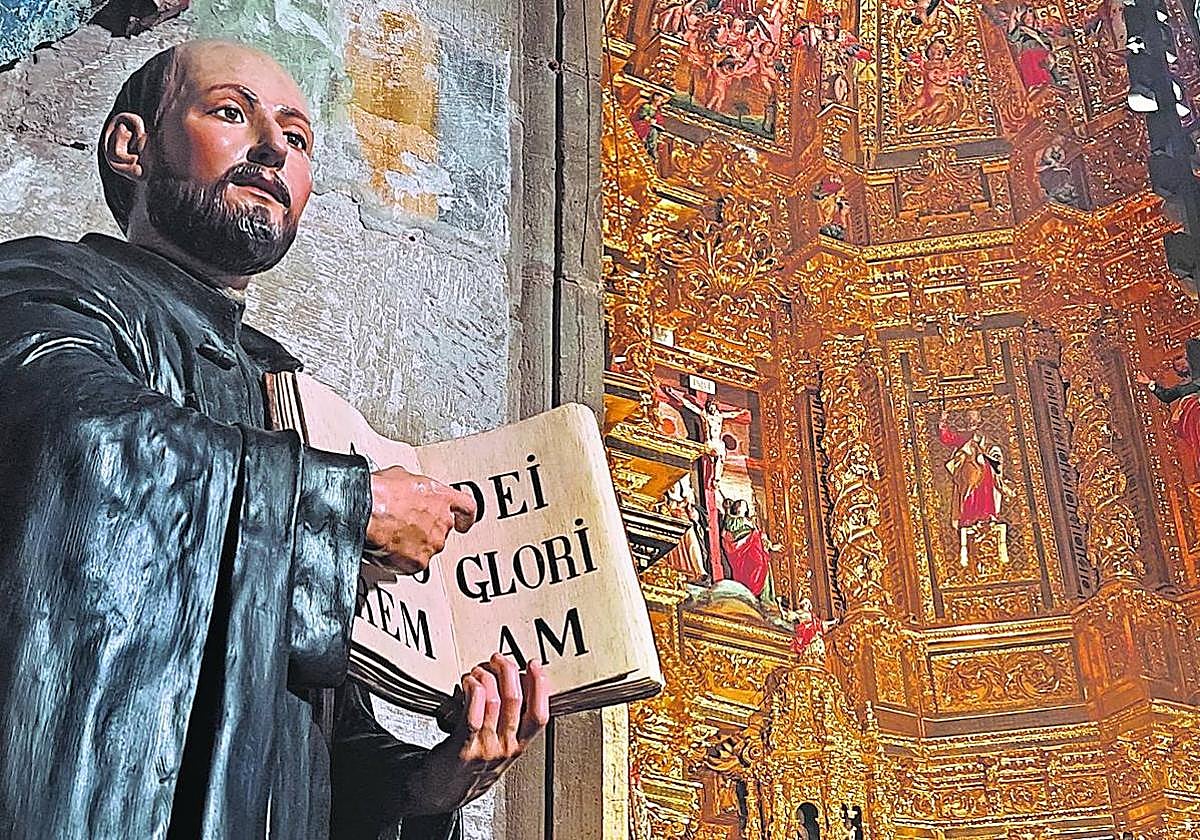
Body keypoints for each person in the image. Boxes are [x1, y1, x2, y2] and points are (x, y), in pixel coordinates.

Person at [0, 40, 548, 839]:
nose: (272, 150)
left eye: (297, 140)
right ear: (131, 145)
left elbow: (302, 718)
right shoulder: (44, 285)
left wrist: (429, 784)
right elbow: (80, 445)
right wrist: (346, 505)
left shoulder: (287, 401)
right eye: (231, 112)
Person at [1137, 339, 1200, 467]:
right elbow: (1166, 396)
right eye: (1178, 366)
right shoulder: (1181, 387)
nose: (1182, 367)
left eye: (1183, 363)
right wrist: (1149, 383)